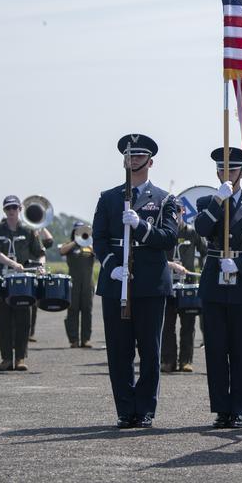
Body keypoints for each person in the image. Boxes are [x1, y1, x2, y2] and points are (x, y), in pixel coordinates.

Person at [93, 134, 178, 429]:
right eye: (130, 154)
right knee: (119, 350)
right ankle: (124, 409)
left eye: (140, 154)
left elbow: (169, 237)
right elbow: (99, 240)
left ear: (150, 161)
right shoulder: (108, 197)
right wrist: (111, 266)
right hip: (117, 280)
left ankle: (144, 410)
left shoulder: (165, 199)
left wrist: (141, 226)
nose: (134, 159)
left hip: (150, 281)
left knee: (150, 350)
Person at [194, 147, 242, 428]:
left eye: (232, 169)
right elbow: (201, 229)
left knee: (241, 350)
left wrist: (241, 265)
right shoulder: (207, 201)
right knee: (215, 348)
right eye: (221, 169)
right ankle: (221, 408)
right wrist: (217, 201)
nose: (226, 173)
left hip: (241, 282)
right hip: (214, 281)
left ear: (241, 172)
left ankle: (238, 408)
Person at [0, 195, 46, 372]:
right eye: (8, 208)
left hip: (23, 282)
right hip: (3, 281)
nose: (11, 211)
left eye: (14, 208)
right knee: (2, 321)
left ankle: (19, 358)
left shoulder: (28, 231)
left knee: (23, 319)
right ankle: (6, 358)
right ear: (4, 210)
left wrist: (41, 265)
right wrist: (12, 264)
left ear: (20, 209)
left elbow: (40, 251)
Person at [162, 205, 206, 373]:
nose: (176, 213)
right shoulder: (164, 232)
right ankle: (168, 361)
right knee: (167, 325)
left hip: (187, 284)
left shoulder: (192, 232)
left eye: (178, 210)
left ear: (183, 212)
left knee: (188, 324)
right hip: (167, 283)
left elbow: (206, 252)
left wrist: (203, 273)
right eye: (173, 210)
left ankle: (186, 361)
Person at [59, 221, 95, 349]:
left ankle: (85, 340)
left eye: (82, 230)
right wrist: (76, 241)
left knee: (87, 311)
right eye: (77, 230)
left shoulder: (90, 245)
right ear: (74, 232)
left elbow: (98, 252)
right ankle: (73, 340)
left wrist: (88, 241)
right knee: (72, 310)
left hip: (87, 283)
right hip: (73, 283)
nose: (80, 232)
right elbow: (62, 251)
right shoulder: (70, 246)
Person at [27, 227, 54, 343]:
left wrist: (40, 225)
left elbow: (49, 241)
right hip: (17, 272)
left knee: (33, 305)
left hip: (33, 273)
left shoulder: (36, 238)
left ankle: (30, 333)